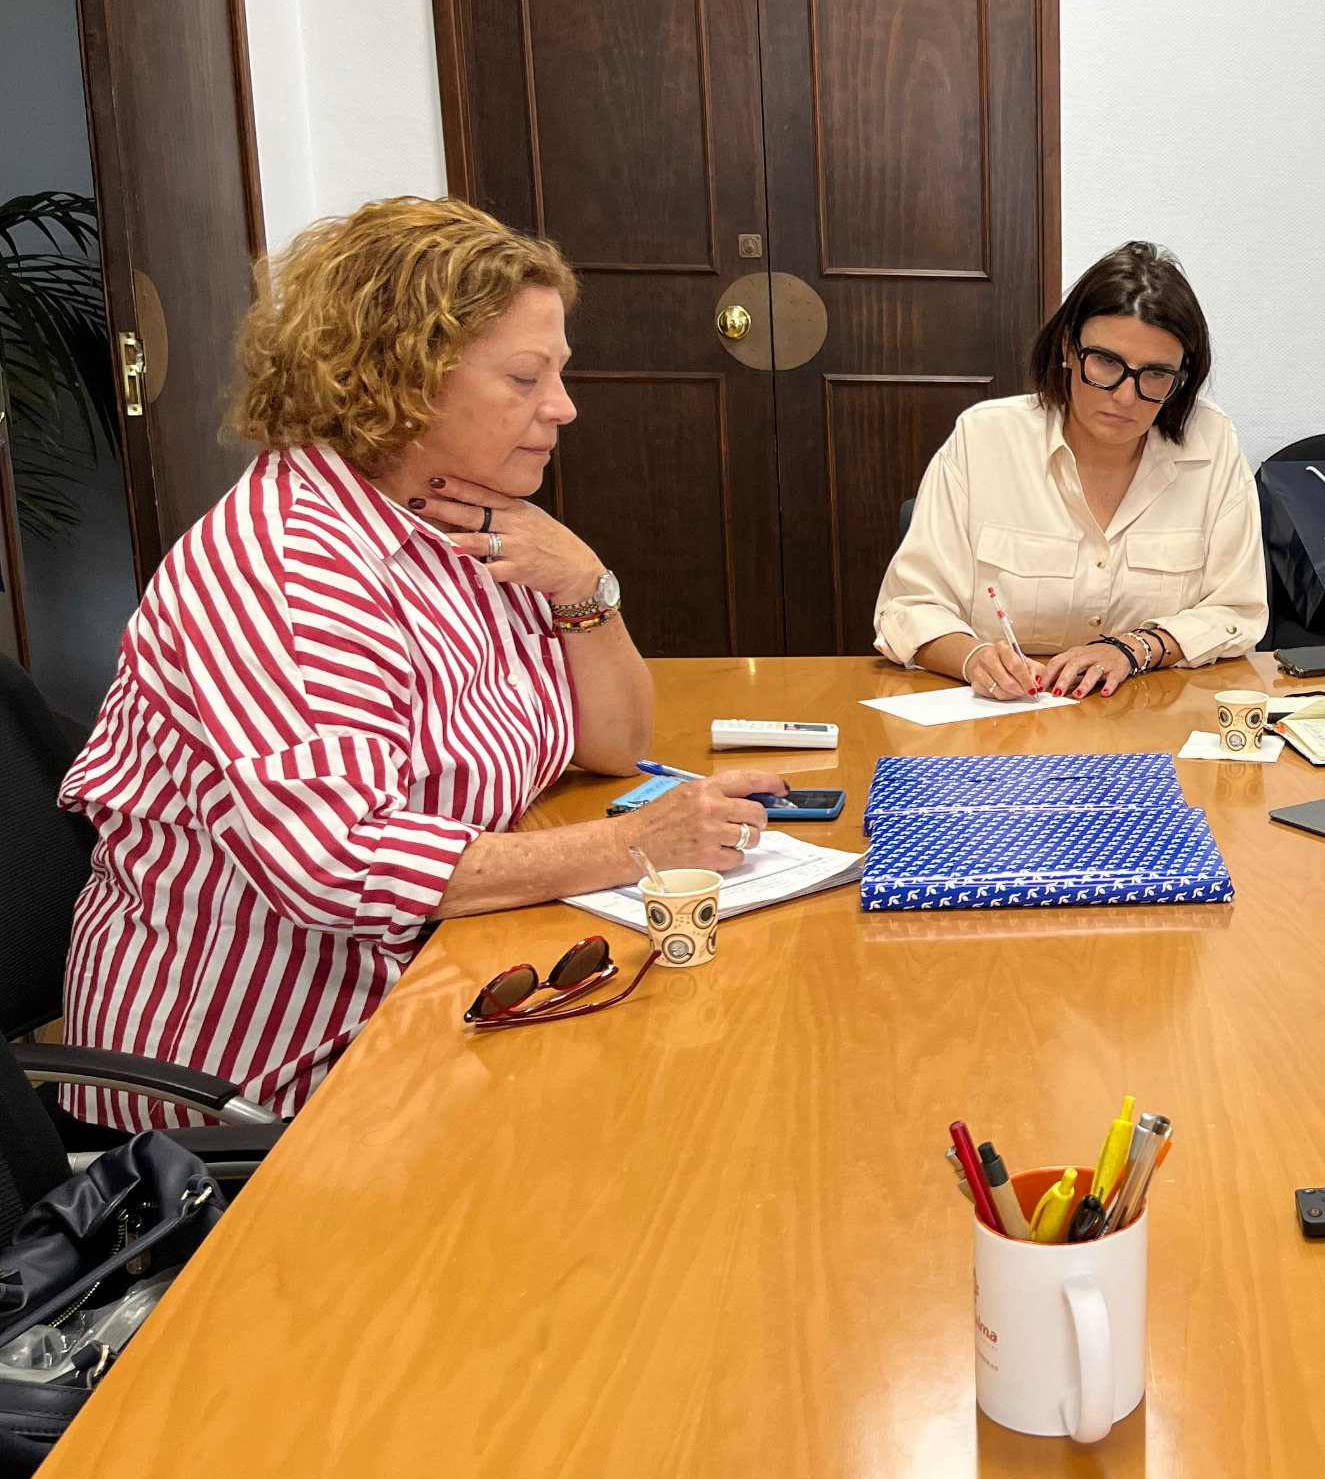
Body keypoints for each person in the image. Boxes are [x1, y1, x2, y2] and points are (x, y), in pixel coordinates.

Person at [57, 197, 784, 1125]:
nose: (563, 408)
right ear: (396, 379)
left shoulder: (461, 519)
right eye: (524, 378)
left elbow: (615, 745)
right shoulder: (290, 561)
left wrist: (584, 585)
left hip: (437, 989)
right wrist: (631, 846)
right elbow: (339, 865)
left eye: (558, 373)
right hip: (273, 1079)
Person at [874, 241, 1265, 697]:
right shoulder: (986, 439)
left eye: (1156, 374)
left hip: (1148, 715)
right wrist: (974, 657)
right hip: (1006, 720)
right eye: (1106, 362)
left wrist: (1132, 649)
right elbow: (907, 608)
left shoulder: (1212, 443)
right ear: (1068, 348)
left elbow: (1237, 610)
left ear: (1182, 379)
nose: (1125, 396)